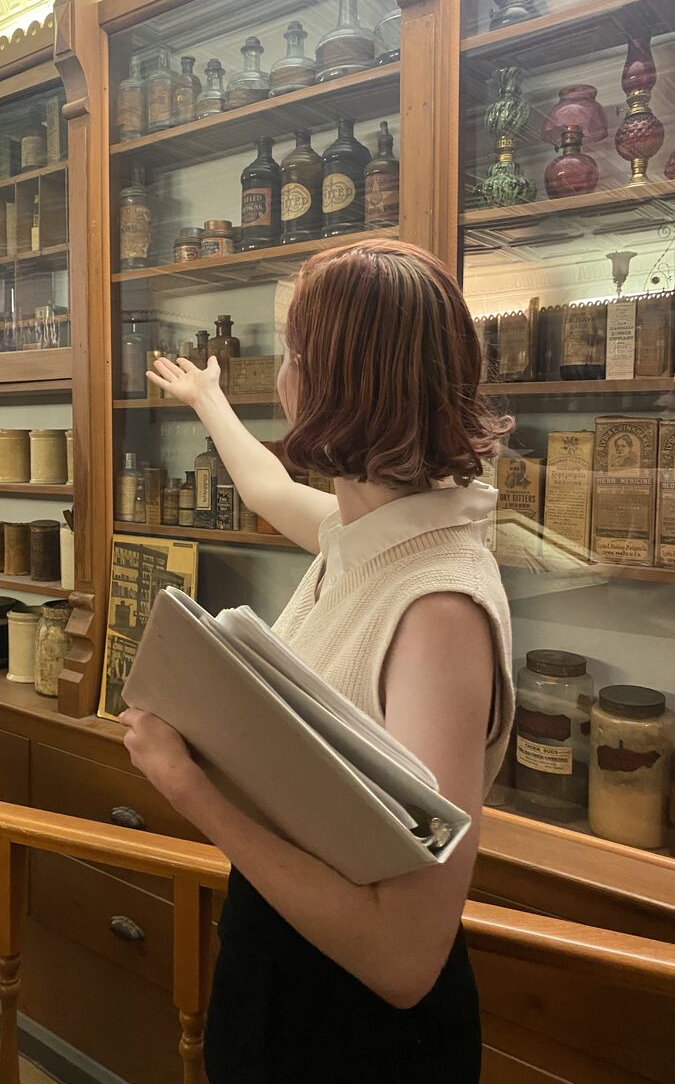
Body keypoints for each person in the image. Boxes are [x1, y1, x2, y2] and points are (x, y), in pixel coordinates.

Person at [120, 238, 514, 1084]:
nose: (286, 377)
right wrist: (207, 397)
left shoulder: (436, 606)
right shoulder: (366, 533)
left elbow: (404, 957)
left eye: (294, 354)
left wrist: (186, 785)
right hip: (279, 970)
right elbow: (263, 489)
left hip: (350, 1036)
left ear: (336, 384)